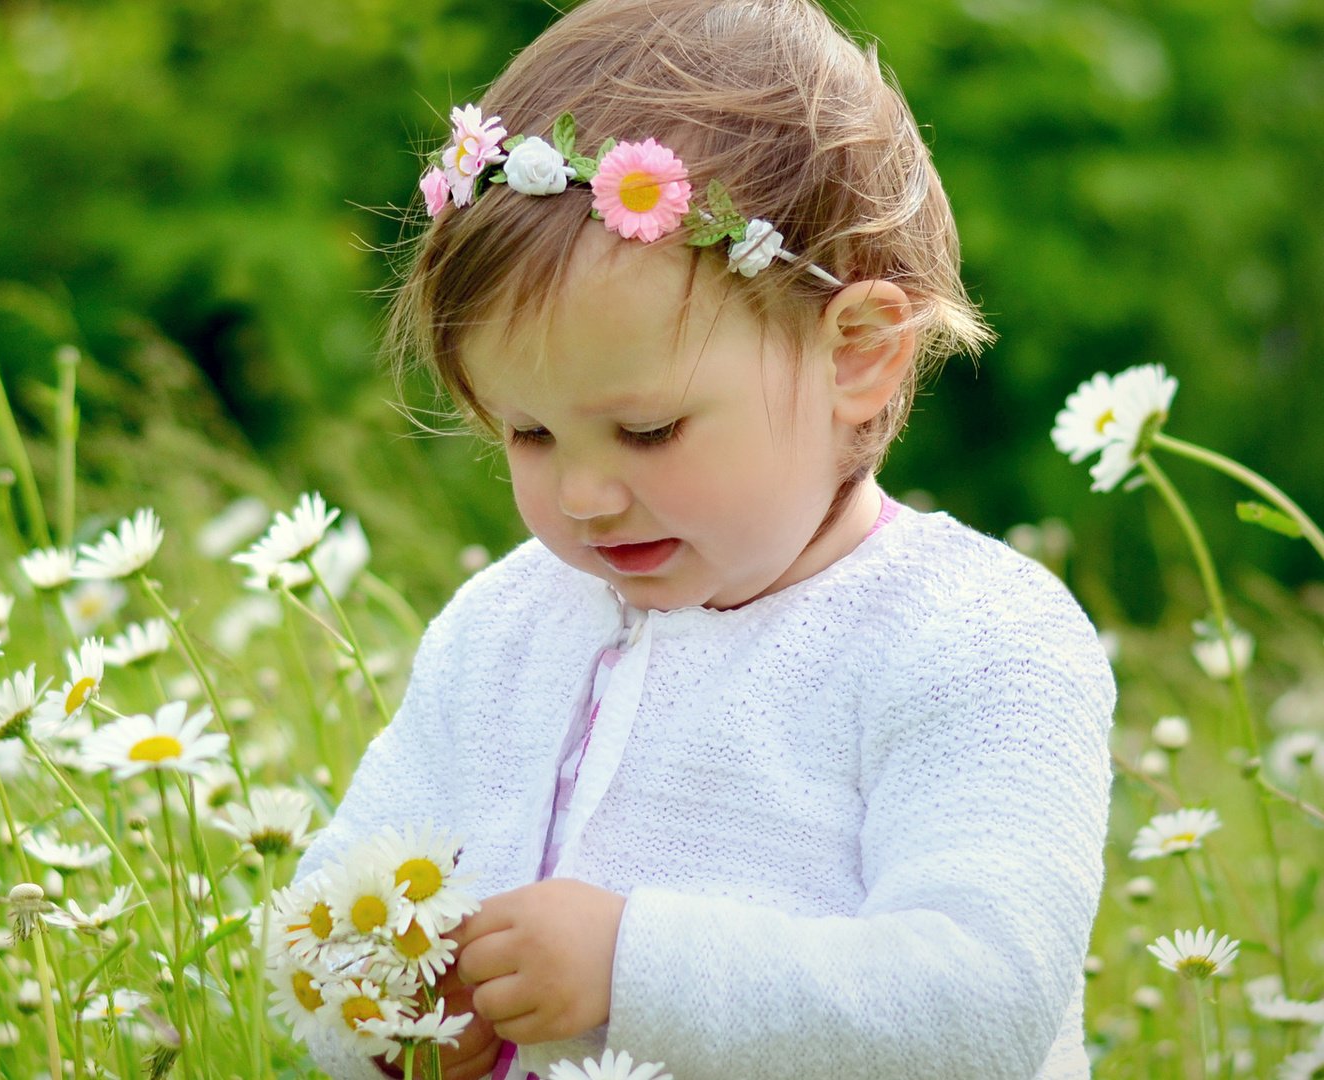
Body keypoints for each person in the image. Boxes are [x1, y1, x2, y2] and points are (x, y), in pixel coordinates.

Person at [292, 0, 1116, 1077]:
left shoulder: (973, 638)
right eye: (529, 433)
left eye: (648, 430)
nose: (583, 495)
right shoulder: (501, 627)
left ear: (857, 353)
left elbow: (980, 1005)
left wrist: (632, 968)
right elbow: (333, 913)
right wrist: (382, 1006)